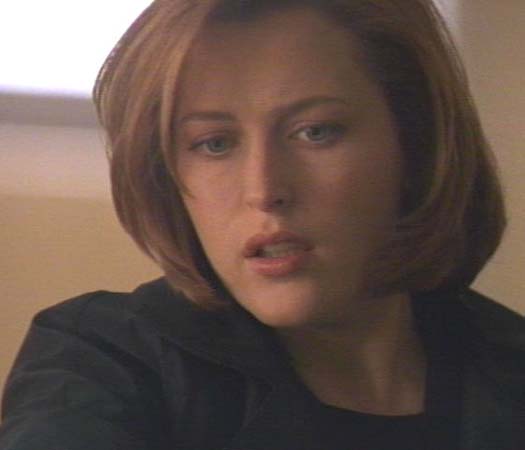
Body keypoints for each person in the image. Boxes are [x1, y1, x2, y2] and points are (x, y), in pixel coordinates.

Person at [1, 0, 523, 449]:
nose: (264, 189)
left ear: (415, 142)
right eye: (215, 143)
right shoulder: (104, 363)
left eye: (314, 132)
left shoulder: (509, 373)